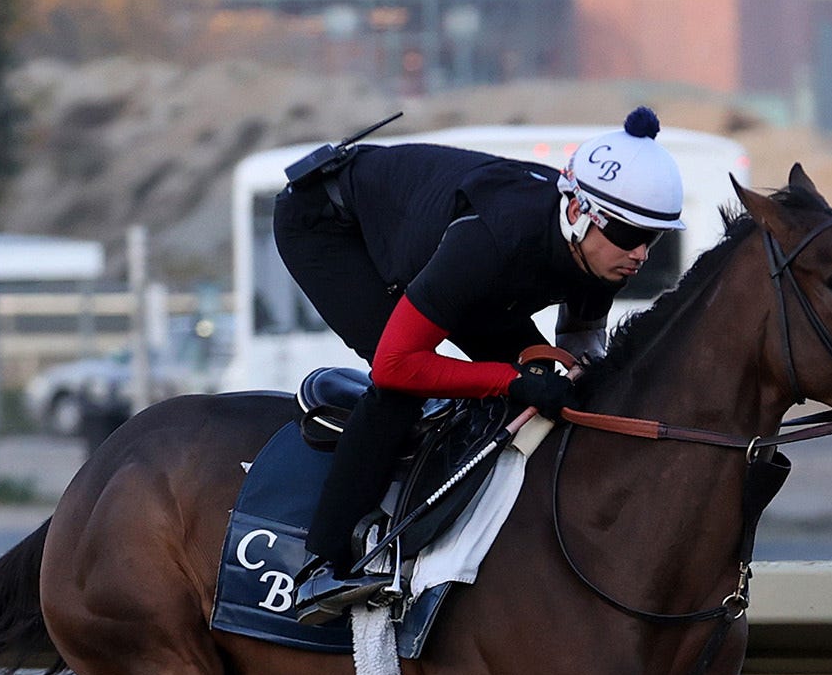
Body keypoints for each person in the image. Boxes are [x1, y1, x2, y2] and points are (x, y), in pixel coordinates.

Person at [273, 107, 685, 625]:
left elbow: (580, 351)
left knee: (552, 387)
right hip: (330, 226)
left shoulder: (607, 253)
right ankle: (322, 565)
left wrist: (564, 383)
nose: (642, 254)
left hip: (456, 254)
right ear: (579, 211)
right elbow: (399, 366)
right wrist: (510, 381)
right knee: (401, 391)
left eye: (656, 237)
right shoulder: (496, 241)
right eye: (629, 235)